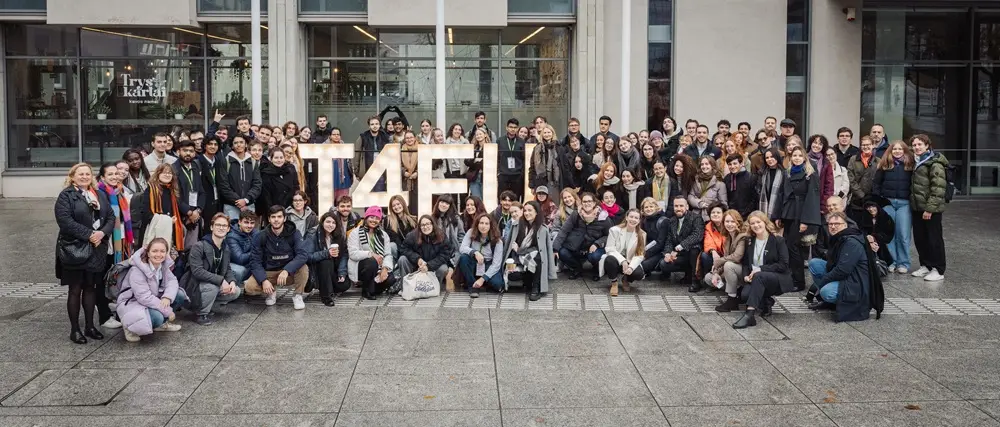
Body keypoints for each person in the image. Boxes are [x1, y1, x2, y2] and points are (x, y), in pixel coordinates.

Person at [55, 163, 115, 344]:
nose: (84, 177)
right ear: (72, 176)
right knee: (75, 289)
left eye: (87, 174)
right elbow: (65, 221)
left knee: (90, 288)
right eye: (80, 174)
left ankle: (90, 326)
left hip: (96, 249)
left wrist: (102, 233)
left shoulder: (100, 194)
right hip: (75, 249)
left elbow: (111, 217)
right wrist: (89, 235)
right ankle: (75, 330)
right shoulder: (66, 196)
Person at [807, 212, 884, 322]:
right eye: (830, 224)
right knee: (815, 264)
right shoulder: (840, 237)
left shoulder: (851, 241)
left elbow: (843, 270)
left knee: (826, 292)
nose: (833, 226)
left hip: (857, 283)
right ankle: (829, 303)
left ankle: (836, 300)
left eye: (837, 224)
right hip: (847, 275)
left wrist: (824, 281)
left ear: (845, 225)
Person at [116, 238, 188, 342]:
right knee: (157, 317)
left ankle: (161, 324)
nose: (158, 254)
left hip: (151, 298)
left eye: (162, 251)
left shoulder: (163, 266)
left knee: (179, 294)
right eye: (154, 251)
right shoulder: (137, 270)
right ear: (148, 253)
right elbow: (143, 297)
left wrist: (167, 297)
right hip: (132, 303)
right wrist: (167, 311)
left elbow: (172, 281)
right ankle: (129, 328)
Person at [731, 211, 794, 329]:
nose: (756, 225)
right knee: (745, 295)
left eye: (758, 222)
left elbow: (783, 265)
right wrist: (745, 275)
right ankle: (766, 301)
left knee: (760, 277)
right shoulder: (750, 241)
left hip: (777, 278)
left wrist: (760, 269)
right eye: (752, 223)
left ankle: (749, 315)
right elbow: (745, 263)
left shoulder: (778, 240)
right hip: (754, 277)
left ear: (765, 222)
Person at [244, 206, 310, 309]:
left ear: (284, 218)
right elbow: (255, 261)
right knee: (249, 287)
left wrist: (287, 270)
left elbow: (302, 255)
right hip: (269, 272)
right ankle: (271, 292)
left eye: (279, 217)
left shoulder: (294, 233)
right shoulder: (260, 236)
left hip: (287, 273)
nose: (276, 220)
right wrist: (263, 280)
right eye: (273, 217)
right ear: (269, 219)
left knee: (303, 268)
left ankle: (297, 295)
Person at [180, 214, 242, 326]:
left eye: (224, 226)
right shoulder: (199, 246)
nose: (221, 228)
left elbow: (227, 268)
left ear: (228, 229)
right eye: (218, 225)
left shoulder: (225, 248)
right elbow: (197, 271)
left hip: (212, 284)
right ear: (212, 227)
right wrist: (221, 281)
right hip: (194, 286)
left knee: (236, 291)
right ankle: (200, 313)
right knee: (212, 287)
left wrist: (232, 281)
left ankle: (208, 306)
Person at [776, 146, 822, 291]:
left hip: (801, 213)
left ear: (804, 158)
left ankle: (799, 281)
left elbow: (812, 198)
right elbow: (781, 194)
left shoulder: (810, 174)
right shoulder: (787, 173)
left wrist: (805, 220)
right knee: (789, 246)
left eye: (799, 155)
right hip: (789, 213)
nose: (796, 158)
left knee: (794, 247)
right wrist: (778, 215)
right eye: (794, 155)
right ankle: (792, 278)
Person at [95, 162, 133, 330]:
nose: (114, 176)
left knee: (111, 275)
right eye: (110, 174)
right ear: (102, 177)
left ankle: (106, 303)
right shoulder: (99, 193)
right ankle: (103, 315)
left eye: (116, 173)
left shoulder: (118, 192)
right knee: (101, 278)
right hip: (105, 241)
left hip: (119, 239)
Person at [908, 134, 949, 282]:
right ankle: (925, 265)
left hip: (931, 209)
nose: (917, 147)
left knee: (934, 239)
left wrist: (929, 209)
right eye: (914, 145)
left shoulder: (934, 163)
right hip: (917, 207)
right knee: (920, 238)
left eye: (920, 144)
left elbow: (938, 189)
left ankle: (938, 269)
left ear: (927, 146)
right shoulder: (916, 161)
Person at [872, 140, 914, 274]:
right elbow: (876, 184)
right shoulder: (884, 165)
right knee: (889, 234)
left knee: (903, 234)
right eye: (894, 149)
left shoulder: (910, 165)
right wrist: (879, 201)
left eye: (900, 149)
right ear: (890, 151)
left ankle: (903, 263)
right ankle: (892, 261)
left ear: (905, 151)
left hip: (904, 204)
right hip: (887, 203)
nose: (897, 151)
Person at [553, 192, 611, 280]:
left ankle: (596, 269)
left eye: (589, 201)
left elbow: (609, 235)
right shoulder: (576, 214)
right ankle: (577, 268)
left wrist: (597, 244)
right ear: (581, 203)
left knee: (594, 256)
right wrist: (555, 248)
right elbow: (563, 231)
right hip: (577, 246)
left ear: (594, 203)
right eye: (584, 201)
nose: (587, 204)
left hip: (594, 247)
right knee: (562, 252)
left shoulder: (603, 217)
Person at [131, 164, 188, 253]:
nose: (167, 175)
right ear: (158, 174)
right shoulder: (150, 189)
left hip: (171, 230)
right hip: (153, 230)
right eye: (164, 172)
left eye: (170, 173)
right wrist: (167, 220)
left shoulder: (173, 191)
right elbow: (146, 213)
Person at [507, 201, 557, 300]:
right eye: (525, 210)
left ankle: (536, 288)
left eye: (530, 210)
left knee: (537, 257)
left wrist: (520, 250)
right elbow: (511, 244)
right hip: (519, 258)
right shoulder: (517, 225)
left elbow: (539, 250)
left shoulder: (542, 228)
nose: (526, 213)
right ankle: (528, 280)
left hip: (533, 258)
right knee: (513, 276)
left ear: (536, 212)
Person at [654, 197, 705, 290]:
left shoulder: (696, 218)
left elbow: (697, 235)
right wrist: (668, 253)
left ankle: (696, 281)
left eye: (681, 206)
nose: (678, 208)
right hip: (680, 255)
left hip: (693, 253)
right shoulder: (672, 220)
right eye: (676, 206)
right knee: (664, 264)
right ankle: (687, 274)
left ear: (687, 207)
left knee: (694, 250)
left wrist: (681, 246)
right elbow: (669, 239)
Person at [349, 206, 397, 299]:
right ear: (366, 218)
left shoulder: (383, 235)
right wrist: (371, 254)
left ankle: (371, 288)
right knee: (372, 261)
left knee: (391, 280)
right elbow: (353, 254)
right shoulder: (356, 233)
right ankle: (367, 290)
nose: (374, 220)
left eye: (377, 218)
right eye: (372, 217)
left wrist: (385, 268)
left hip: (379, 266)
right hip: (361, 266)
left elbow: (387, 254)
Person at [600, 209, 647, 296]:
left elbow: (640, 254)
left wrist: (631, 267)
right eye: (631, 216)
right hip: (616, 259)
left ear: (639, 220)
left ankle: (626, 279)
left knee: (639, 274)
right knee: (609, 260)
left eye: (636, 218)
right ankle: (614, 283)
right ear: (626, 217)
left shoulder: (642, 234)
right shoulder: (614, 230)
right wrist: (623, 261)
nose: (633, 219)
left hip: (630, 260)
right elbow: (610, 249)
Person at [307, 212, 349, 306]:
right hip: (317, 270)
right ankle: (326, 297)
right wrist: (327, 253)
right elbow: (308, 256)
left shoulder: (338, 236)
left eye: (333, 223)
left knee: (345, 284)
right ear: (322, 222)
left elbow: (344, 255)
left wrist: (342, 272)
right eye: (328, 222)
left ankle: (327, 286)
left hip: (333, 269)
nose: (331, 225)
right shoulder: (312, 234)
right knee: (326, 261)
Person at [711, 210, 750, 312]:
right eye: (727, 222)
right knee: (709, 278)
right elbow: (725, 257)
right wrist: (716, 273)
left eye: (732, 222)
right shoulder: (728, 238)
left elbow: (737, 257)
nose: (729, 224)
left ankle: (732, 300)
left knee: (728, 265)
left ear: (738, 222)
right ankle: (737, 292)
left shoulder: (742, 236)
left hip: (743, 271)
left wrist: (719, 260)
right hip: (732, 271)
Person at [217, 135, 262, 220]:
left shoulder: (252, 161)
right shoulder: (225, 161)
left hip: (249, 205)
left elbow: (257, 184)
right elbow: (223, 185)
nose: (239, 145)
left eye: (241, 142)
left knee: (249, 231)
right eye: (236, 143)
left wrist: (246, 200)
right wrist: (238, 201)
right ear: (232, 146)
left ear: (246, 145)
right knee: (233, 231)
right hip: (231, 206)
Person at [399, 214, 454, 283]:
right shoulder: (412, 235)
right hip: (416, 266)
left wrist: (429, 266)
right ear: (419, 227)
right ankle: (405, 287)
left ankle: (434, 287)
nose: (425, 227)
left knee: (443, 268)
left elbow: (445, 254)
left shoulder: (441, 235)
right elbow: (404, 249)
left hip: (434, 266)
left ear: (433, 224)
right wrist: (417, 259)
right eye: (422, 225)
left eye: (428, 224)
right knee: (402, 259)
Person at [352, 115, 391, 192]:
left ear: (380, 125)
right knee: (367, 195)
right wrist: (357, 171)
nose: (374, 126)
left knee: (379, 194)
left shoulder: (385, 137)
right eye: (372, 124)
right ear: (369, 126)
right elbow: (357, 155)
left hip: (380, 171)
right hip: (367, 169)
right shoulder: (363, 137)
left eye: (376, 124)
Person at [432, 195, 466, 282]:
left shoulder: (456, 219)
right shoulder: (432, 219)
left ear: (450, 206)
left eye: (447, 203)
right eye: (442, 202)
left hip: (453, 251)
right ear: (438, 203)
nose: (444, 205)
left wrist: (460, 247)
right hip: (438, 252)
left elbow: (461, 235)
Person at [258, 147, 299, 218]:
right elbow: (266, 196)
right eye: (276, 158)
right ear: (271, 159)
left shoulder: (290, 169)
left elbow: (296, 187)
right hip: (274, 211)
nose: (279, 160)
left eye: (281, 157)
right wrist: (272, 213)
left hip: (290, 209)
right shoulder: (266, 173)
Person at [847, 135, 879, 222]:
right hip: (856, 200)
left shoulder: (878, 161)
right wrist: (861, 195)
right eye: (863, 145)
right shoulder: (853, 160)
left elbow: (879, 180)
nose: (866, 147)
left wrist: (872, 196)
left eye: (868, 144)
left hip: (872, 201)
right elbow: (851, 178)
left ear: (873, 145)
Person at [688, 156, 727, 221]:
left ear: (712, 166)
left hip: (711, 217)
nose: (704, 166)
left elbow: (723, 204)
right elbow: (690, 196)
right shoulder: (697, 180)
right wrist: (699, 203)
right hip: (696, 216)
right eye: (702, 164)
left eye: (707, 164)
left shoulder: (720, 184)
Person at [225, 210, 257, 284]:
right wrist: (257, 251)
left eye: (252, 223)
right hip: (234, 266)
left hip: (249, 264)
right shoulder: (231, 236)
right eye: (246, 222)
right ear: (239, 222)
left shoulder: (255, 232)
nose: (249, 226)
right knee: (240, 270)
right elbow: (239, 259)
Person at [807, 135, 836, 214]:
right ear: (811, 143)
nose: (817, 145)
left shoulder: (826, 163)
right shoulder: (803, 158)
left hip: (818, 200)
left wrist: (823, 204)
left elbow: (829, 186)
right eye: (815, 143)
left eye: (820, 144)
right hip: (804, 199)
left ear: (823, 147)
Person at [698, 203, 727, 282]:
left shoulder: (728, 224)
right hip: (716, 254)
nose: (715, 214)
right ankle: (709, 278)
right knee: (705, 255)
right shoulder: (708, 226)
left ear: (723, 214)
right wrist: (713, 251)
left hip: (727, 255)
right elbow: (708, 241)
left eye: (718, 212)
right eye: (713, 212)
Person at [498, 118, 526, 199]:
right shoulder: (500, 141)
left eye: (515, 127)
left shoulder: (521, 142)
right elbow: (497, 157)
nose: (512, 129)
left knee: (515, 198)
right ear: (507, 128)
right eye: (510, 127)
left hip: (517, 175)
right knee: (502, 197)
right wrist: (498, 172)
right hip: (503, 174)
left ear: (517, 129)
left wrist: (522, 173)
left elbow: (524, 159)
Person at [530, 123, 562, 191]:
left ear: (552, 133)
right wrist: (531, 184)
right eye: (545, 133)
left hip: (556, 181)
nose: (547, 134)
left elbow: (564, 166)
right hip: (540, 181)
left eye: (549, 132)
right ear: (542, 134)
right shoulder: (537, 148)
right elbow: (532, 167)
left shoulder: (559, 147)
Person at [724, 154, 757, 219]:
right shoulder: (727, 178)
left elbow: (754, 198)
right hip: (732, 215)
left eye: (735, 163)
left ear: (741, 164)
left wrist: (746, 212)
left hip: (747, 215)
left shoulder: (751, 177)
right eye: (730, 164)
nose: (732, 166)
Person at [326, 128, 354, 200]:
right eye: (334, 134)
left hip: (344, 180)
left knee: (343, 201)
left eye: (338, 134)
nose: (336, 136)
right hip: (330, 179)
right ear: (330, 136)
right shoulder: (324, 147)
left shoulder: (345, 147)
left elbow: (349, 163)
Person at [466, 127, 489, 199]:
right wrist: (477, 161)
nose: (478, 136)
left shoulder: (490, 147)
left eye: (480, 134)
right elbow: (466, 161)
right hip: (474, 177)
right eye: (477, 135)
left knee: (486, 200)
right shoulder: (474, 148)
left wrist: (476, 161)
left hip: (486, 177)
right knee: (476, 200)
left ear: (485, 135)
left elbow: (488, 162)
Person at [401, 130, 420, 212]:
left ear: (415, 138)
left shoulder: (421, 148)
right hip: (405, 182)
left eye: (411, 137)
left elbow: (425, 162)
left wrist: (417, 172)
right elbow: (396, 163)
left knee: (417, 206)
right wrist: (403, 172)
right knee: (405, 206)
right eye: (407, 138)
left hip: (418, 182)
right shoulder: (400, 149)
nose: (409, 139)